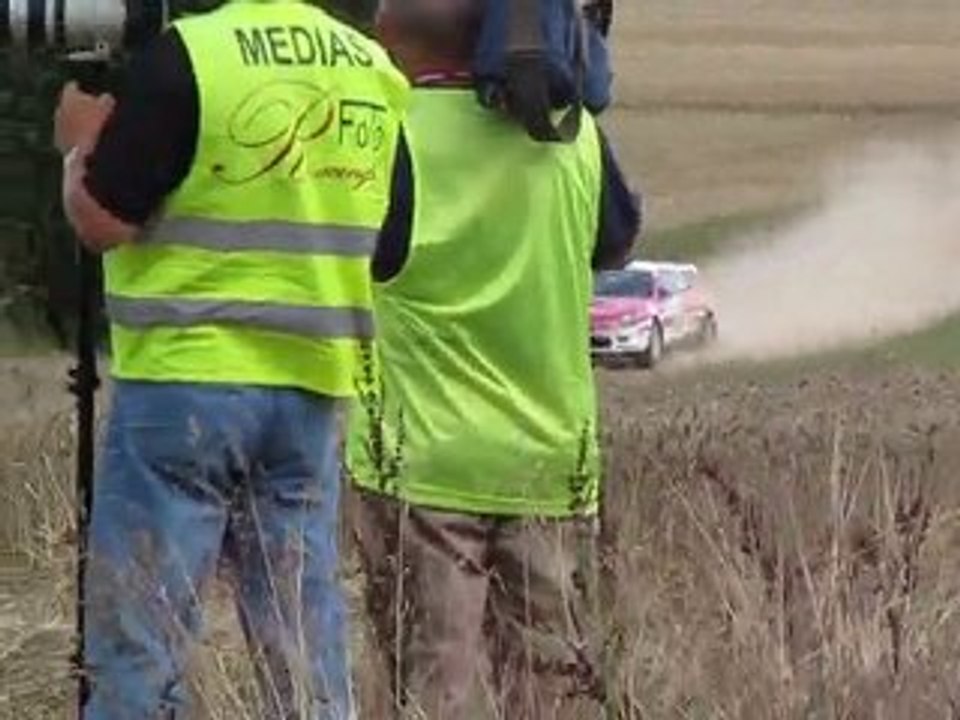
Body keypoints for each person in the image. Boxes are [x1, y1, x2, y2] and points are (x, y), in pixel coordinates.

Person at [53, 0, 408, 716]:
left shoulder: (194, 57)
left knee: (143, 635)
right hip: (308, 393)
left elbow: (102, 217)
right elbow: (391, 249)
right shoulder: (370, 68)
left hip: (184, 385)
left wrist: (76, 150)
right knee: (301, 632)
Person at [346, 0, 641, 717]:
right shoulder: (576, 139)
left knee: (425, 692)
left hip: (419, 464)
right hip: (551, 464)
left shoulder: (390, 138)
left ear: (393, 43)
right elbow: (616, 243)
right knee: (555, 696)